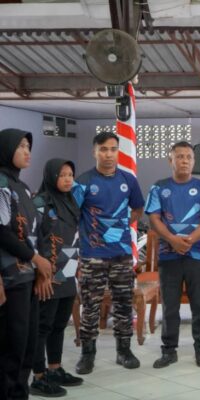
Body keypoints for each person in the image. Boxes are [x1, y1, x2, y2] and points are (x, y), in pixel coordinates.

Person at [73, 131, 145, 374]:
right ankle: (87, 354)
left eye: (113, 149)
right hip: (92, 254)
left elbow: (138, 209)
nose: (109, 154)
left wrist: (120, 228)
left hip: (121, 254)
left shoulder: (128, 180)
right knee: (90, 305)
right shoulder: (83, 182)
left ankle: (124, 351)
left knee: (124, 304)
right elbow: (73, 214)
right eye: (103, 149)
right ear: (95, 152)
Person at [145, 142, 200, 369]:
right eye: (179, 157)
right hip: (168, 256)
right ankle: (169, 351)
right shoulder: (159, 187)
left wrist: (190, 240)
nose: (184, 160)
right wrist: (173, 240)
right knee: (170, 306)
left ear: (193, 161)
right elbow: (153, 218)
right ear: (171, 161)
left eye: (188, 157)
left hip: (198, 255)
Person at [0, 128, 54, 400]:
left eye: (28, 146)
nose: (27, 151)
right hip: (10, 277)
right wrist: (35, 259)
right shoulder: (2, 184)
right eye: (21, 146)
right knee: (11, 349)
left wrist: (41, 269)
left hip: (28, 277)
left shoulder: (22, 187)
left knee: (27, 349)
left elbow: (36, 231)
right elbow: (1, 232)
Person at [30, 159, 84, 397]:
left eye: (70, 174)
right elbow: (32, 238)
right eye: (62, 175)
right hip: (47, 271)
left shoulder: (70, 201)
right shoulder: (40, 202)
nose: (67, 179)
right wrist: (39, 273)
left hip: (69, 268)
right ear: (51, 176)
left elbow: (74, 236)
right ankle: (38, 377)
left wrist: (77, 264)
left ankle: (54, 368)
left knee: (60, 323)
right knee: (43, 325)